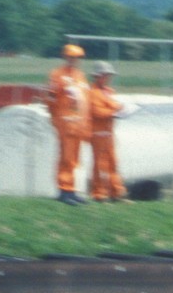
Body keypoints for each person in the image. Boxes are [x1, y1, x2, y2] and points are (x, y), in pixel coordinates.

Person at [45, 44, 91, 205]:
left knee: (74, 159)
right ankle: (63, 190)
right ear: (65, 57)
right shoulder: (57, 74)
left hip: (79, 124)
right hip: (65, 122)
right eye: (72, 57)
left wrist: (86, 123)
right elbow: (50, 98)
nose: (75, 60)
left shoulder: (80, 76)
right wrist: (55, 117)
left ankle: (71, 190)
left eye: (78, 58)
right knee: (66, 158)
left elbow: (86, 100)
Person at [88, 61, 130, 203]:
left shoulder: (109, 91)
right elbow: (96, 111)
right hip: (98, 133)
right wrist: (114, 112)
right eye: (106, 75)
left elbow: (114, 105)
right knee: (100, 164)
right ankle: (99, 194)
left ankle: (116, 192)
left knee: (113, 163)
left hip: (109, 133)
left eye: (109, 75)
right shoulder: (92, 92)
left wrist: (121, 107)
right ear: (98, 76)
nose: (108, 78)